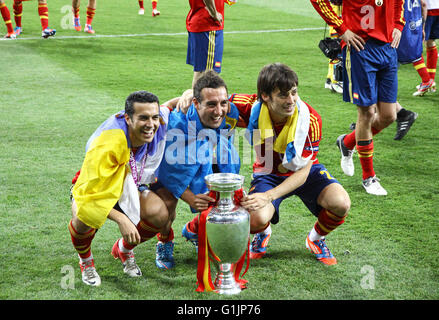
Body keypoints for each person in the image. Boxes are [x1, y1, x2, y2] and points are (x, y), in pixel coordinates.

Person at [231, 63, 349, 266]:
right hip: (268, 172)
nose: (291, 100)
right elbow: (213, 99)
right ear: (265, 96)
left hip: (305, 172)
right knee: (254, 220)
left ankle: (316, 239)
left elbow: (303, 173)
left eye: (294, 92)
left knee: (341, 203)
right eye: (283, 95)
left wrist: (268, 196)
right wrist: (187, 95)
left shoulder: (310, 119)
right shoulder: (251, 106)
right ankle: (263, 230)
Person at [69, 91, 176, 286]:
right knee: (83, 217)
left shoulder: (158, 120)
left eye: (154, 117)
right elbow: (91, 194)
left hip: (130, 184)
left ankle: (124, 250)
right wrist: (122, 219)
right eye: (143, 118)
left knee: (159, 214)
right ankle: (86, 261)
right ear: (127, 118)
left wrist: (186, 95)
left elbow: (171, 105)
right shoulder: (107, 143)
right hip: (95, 187)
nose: (151, 124)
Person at [311, 0, 406, 196]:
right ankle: (368, 177)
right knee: (367, 112)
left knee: (389, 116)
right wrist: (342, 28)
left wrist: (398, 24)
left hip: (388, 48)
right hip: (360, 49)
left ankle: (346, 143)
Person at [150, 70, 244, 266]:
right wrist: (191, 198)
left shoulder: (230, 112)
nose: (219, 111)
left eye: (223, 103)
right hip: (168, 171)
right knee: (165, 206)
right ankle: (164, 240)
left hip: (206, 164)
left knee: (226, 202)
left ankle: (193, 230)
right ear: (195, 103)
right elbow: (168, 174)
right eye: (211, 104)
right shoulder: (176, 125)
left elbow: (262, 102)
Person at [186, 0, 236, 88]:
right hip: (208, 24)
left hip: (201, 23)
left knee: (201, 73)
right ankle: (200, 101)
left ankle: (196, 101)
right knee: (208, 75)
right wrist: (214, 13)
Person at [420, 0, 439, 94]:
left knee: (416, 46)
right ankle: (431, 79)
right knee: (430, 42)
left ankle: (426, 81)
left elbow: (423, 3)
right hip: (436, 9)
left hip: (428, 10)